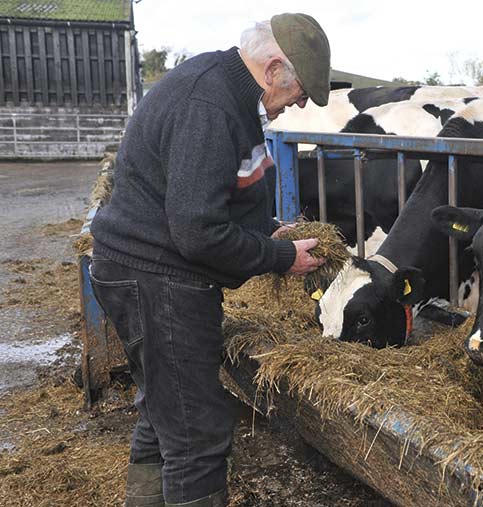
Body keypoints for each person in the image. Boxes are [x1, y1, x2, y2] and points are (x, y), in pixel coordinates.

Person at [88, 13, 330, 507]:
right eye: (301, 89)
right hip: (159, 281)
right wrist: (280, 257)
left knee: (164, 415)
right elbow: (197, 231)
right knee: (197, 437)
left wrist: (267, 230)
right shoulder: (211, 105)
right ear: (274, 68)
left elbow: (212, 196)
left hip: (140, 269)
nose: (301, 102)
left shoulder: (227, 93)